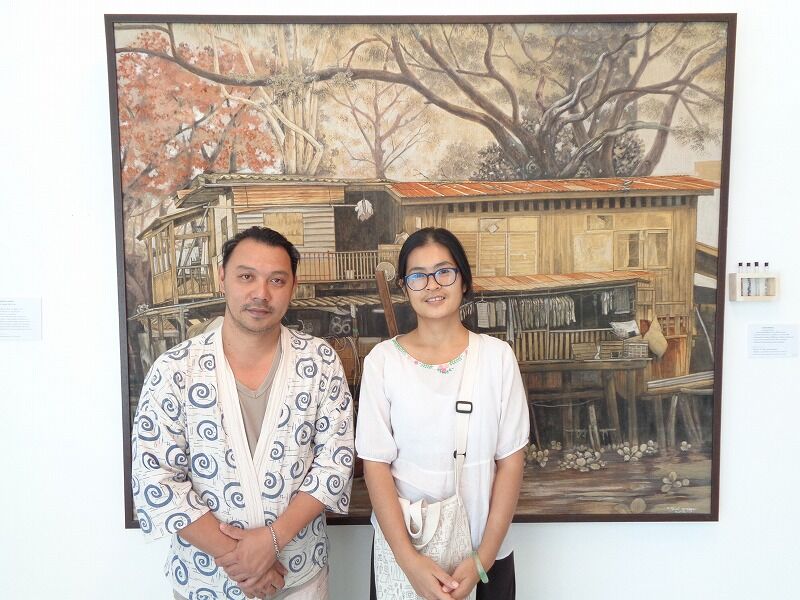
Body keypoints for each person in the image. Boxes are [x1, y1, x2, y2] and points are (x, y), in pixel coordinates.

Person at [132, 226, 354, 600]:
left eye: (276, 280)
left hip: (299, 574)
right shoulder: (175, 369)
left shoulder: (319, 361)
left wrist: (272, 540)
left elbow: (336, 460)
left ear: (293, 286)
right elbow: (156, 476)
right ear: (222, 277)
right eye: (246, 277)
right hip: (206, 578)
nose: (261, 293)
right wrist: (240, 559)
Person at [356, 227, 529, 600]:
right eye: (418, 276)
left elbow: (511, 462)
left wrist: (483, 558)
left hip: (485, 554)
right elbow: (375, 466)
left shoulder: (497, 358)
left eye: (443, 272)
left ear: (463, 280)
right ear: (405, 287)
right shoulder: (383, 362)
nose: (432, 285)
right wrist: (410, 563)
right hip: (406, 555)